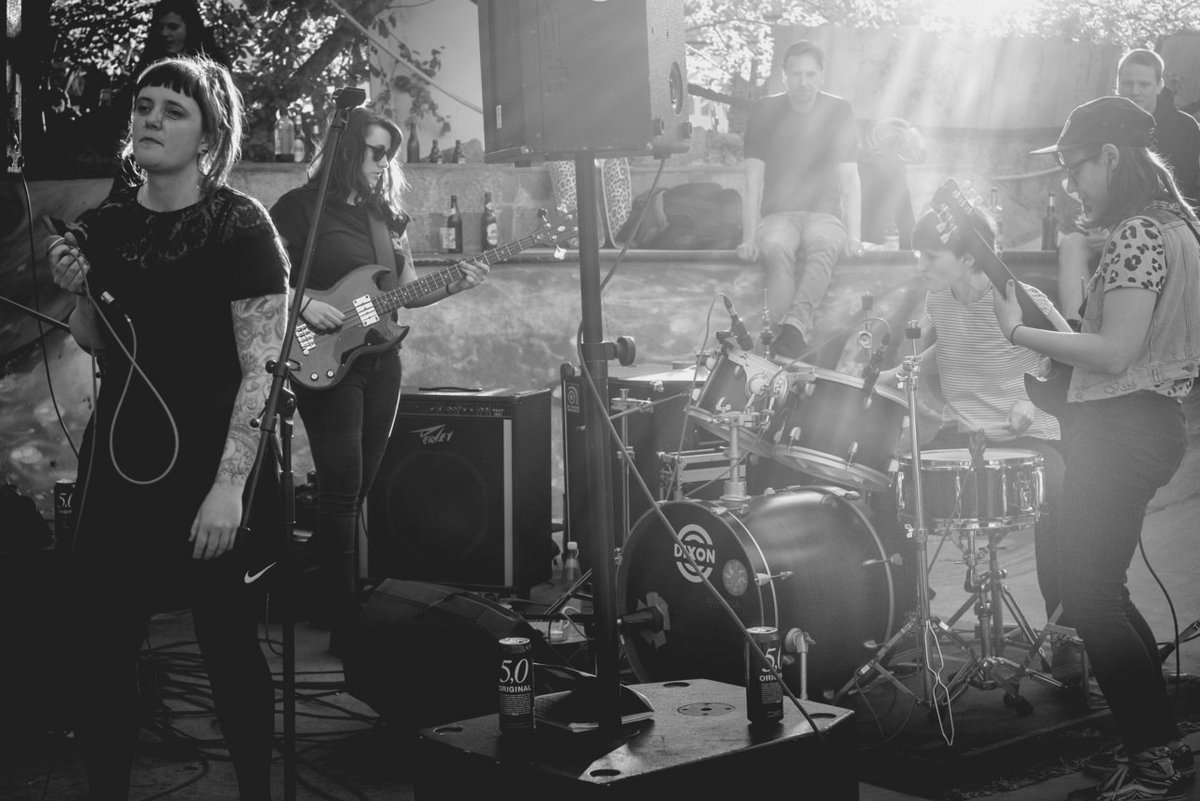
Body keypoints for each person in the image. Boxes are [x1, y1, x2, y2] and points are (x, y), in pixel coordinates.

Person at [46, 55, 287, 801]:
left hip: (214, 461)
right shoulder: (105, 224)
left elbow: (263, 369)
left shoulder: (240, 224)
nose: (151, 118)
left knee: (228, 648)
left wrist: (229, 488)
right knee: (103, 648)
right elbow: (95, 341)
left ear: (209, 137)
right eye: (144, 105)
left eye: (173, 110)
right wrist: (77, 292)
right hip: (122, 459)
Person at [998, 95, 1200, 801]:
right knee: (1102, 594)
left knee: (1090, 597)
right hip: (1144, 425)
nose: (1071, 183)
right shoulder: (1178, 226)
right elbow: (1120, 340)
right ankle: (1161, 750)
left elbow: (1114, 352)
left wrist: (1018, 332)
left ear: (1111, 157)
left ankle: (1153, 768)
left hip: (1123, 431)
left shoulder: (1139, 232)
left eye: (1077, 167)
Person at [269, 106, 489, 651]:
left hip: (381, 358)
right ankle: (343, 621)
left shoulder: (386, 217)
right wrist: (304, 303)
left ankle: (317, 594)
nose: (383, 161)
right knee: (341, 489)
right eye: (374, 151)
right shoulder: (299, 208)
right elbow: (264, 280)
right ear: (347, 149)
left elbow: (406, 289)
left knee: (357, 488)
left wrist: (454, 284)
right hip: (324, 359)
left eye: (388, 154)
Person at [877, 203, 1074, 675]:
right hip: (964, 434)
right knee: (887, 486)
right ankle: (909, 615)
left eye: (930, 256)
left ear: (968, 258)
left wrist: (1032, 403)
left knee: (1062, 508)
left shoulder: (1021, 299)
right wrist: (889, 376)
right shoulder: (939, 298)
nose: (920, 265)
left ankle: (1066, 636)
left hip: (1031, 439)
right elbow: (947, 345)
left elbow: (1075, 361)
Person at [738, 39, 862, 363]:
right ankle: (785, 339)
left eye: (810, 74)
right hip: (778, 215)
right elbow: (752, 180)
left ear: (821, 76)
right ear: (784, 75)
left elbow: (850, 178)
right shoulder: (765, 111)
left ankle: (790, 330)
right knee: (778, 248)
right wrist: (748, 237)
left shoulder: (839, 111)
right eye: (796, 74)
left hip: (824, 214)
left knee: (825, 246)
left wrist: (855, 234)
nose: (803, 82)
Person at [1057, 49, 1200, 328]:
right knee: (1072, 243)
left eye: (1143, 84)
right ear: (1117, 84)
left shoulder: (1184, 127)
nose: (1134, 91)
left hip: (1159, 227)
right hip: (1118, 223)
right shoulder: (1104, 123)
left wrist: (1018, 331)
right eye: (1127, 83)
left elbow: (1180, 191)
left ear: (1159, 85)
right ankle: (1073, 325)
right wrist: (1102, 226)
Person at [858, 117, 923, 251]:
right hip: (868, 238)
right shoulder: (891, 165)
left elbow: (904, 215)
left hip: (864, 238)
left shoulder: (869, 161)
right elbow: (904, 215)